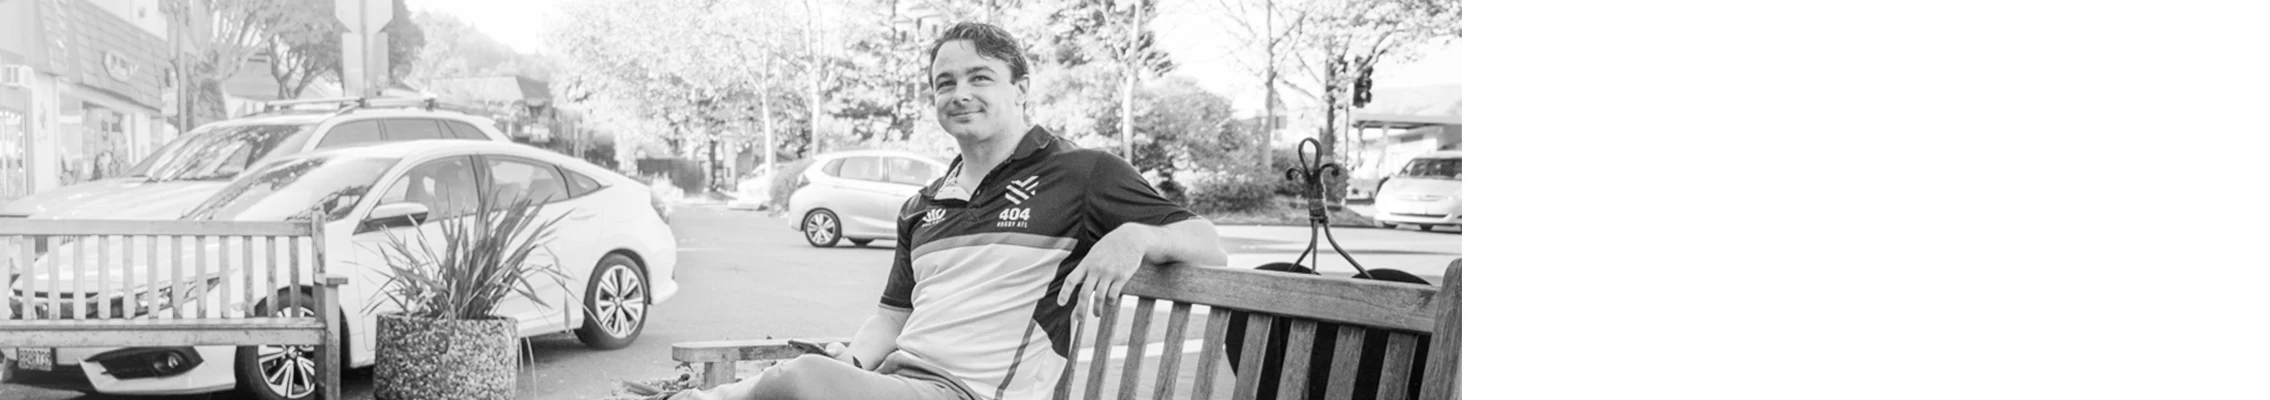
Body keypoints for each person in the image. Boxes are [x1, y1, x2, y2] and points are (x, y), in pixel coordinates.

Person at [661, 22, 1227, 400]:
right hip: (899, 382)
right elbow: (891, 317)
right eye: (944, 83)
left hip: (973, 394)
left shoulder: (1082, 174)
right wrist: (855, 362)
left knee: (802, 381)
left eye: (980, 77)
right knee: (814, 378)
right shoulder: (922, 205)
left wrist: (1134, 237)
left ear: (1021, 87)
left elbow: (1207, 243)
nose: (960, 93)